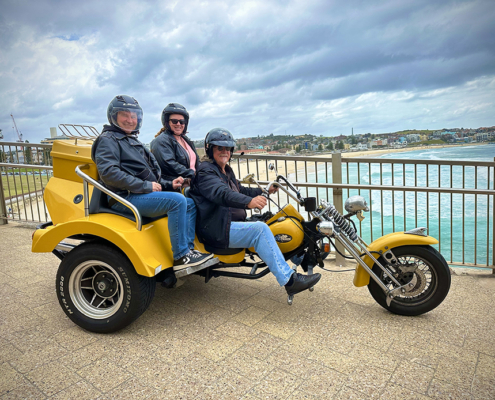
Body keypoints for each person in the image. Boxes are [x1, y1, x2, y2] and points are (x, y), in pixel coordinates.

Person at [190, 128, 321, 297]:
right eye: (219, 148)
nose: (224, 152)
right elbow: (221, 193)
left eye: (228, 149)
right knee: (260, 230)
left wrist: (264, 191)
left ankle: (300, 258)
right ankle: (290, 281)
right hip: (217, 229)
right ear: (210, 149)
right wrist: (249, 202)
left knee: (273, 221)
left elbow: (240, 189)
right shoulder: (206, 171)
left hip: (231, 223)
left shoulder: (225, 170)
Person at [91, 95, 213, 272]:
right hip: (123, 197)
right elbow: (109, 173)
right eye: (124, 115)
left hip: (138, 193)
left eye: (133, 116)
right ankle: (181, 256)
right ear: (114, 116)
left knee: (189, 202)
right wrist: (146, 187)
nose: (130, 120)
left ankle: (189, 250)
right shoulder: (108, 139)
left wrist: (170, 184)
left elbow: (148, 176)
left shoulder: (129, 139)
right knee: (177, 201)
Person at [150, 103, 198, 187]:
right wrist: (193, 174)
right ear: (167, 122)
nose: (178, 124)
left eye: (182, 121)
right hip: (176, 184)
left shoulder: (185, 140)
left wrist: (205, 172)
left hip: (193, 181)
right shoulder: (161, 141)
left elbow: (197, 162)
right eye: (174, 121)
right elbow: (169, 164)